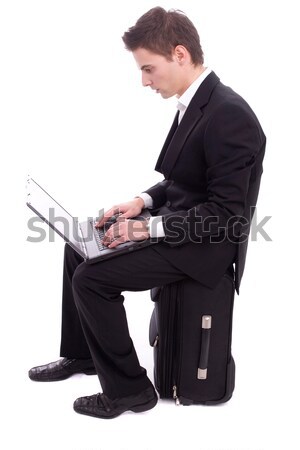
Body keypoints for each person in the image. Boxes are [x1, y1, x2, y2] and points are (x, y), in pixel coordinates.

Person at [28, 6, 266, 419]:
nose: (144, 81)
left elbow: (226, 214)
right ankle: (83, 356)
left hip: (203, 247)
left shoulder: (229, 115)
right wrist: (143, 202)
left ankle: (129, 391)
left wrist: (145, 231)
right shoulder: (197, 102)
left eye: (148, 69)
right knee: (77, 249)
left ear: (179, 54)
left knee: (92, 278)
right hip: (180, 224)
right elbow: (184, 182)